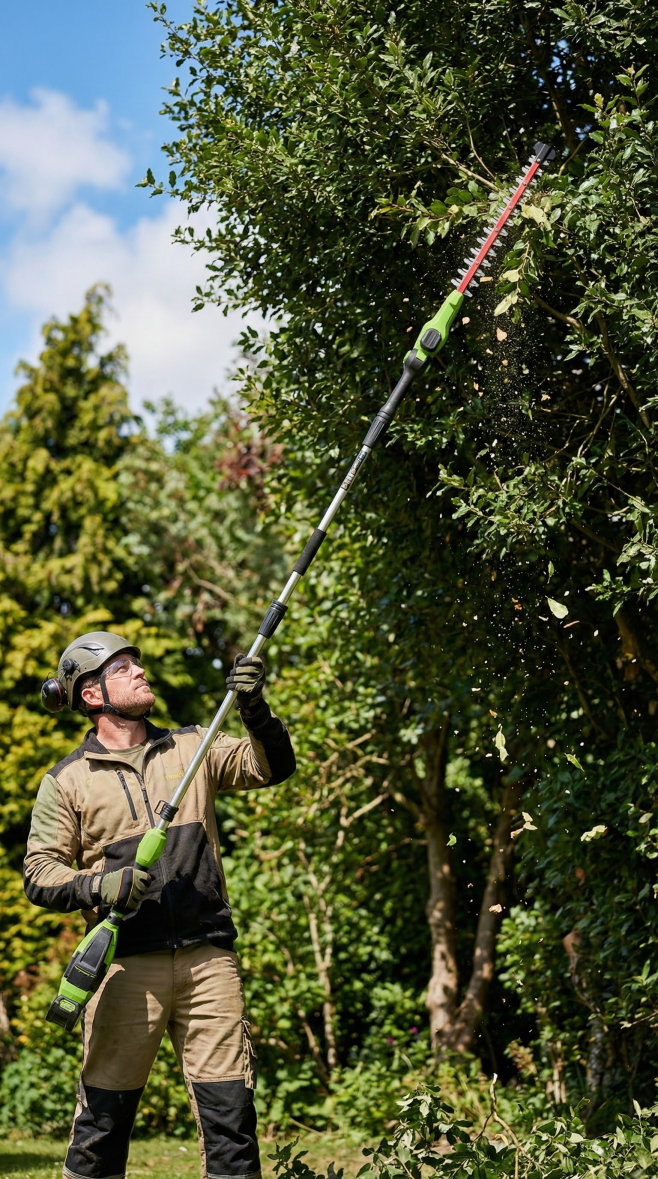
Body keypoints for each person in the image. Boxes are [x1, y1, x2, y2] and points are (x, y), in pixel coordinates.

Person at [24, 631, 296, 1179]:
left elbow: (272, 766)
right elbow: (39, 873)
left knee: (232, 1121)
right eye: (123, 667)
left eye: (137, 663)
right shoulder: (68, 780)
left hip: (208, 961)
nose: (140, 672)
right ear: (92, 694)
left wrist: (253, 709)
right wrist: (99, 886)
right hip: (125, 968)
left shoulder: (194, 745)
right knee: (102, 1127)